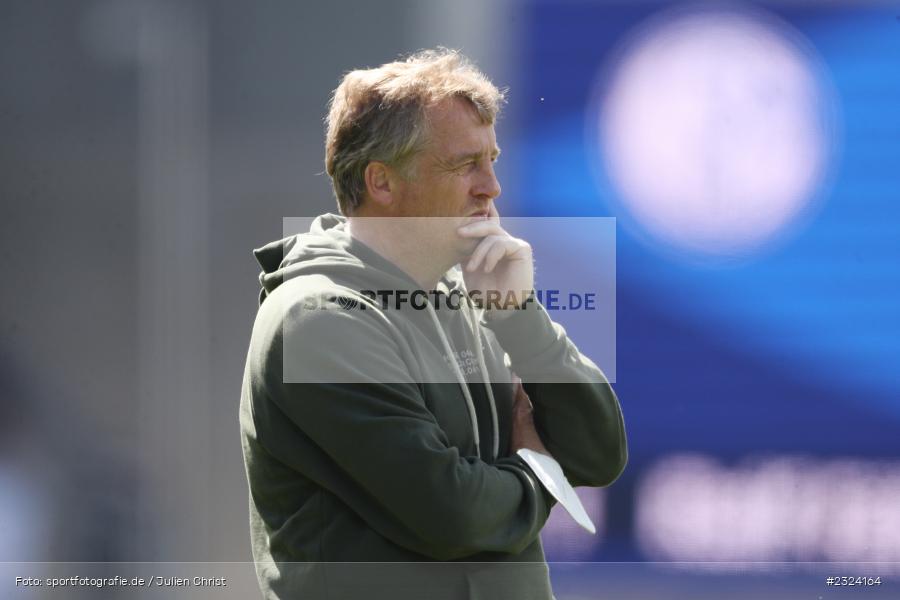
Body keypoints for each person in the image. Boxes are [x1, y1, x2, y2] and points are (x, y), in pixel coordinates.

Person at [239, 48, 627, 599]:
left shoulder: (463, 295)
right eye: (465, 164)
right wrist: (539, 470)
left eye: (492, 160)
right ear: (382, 183)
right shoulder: (320, 318)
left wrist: (519, 317)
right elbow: (453, 515)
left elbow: (598, 453)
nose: (491, 187)